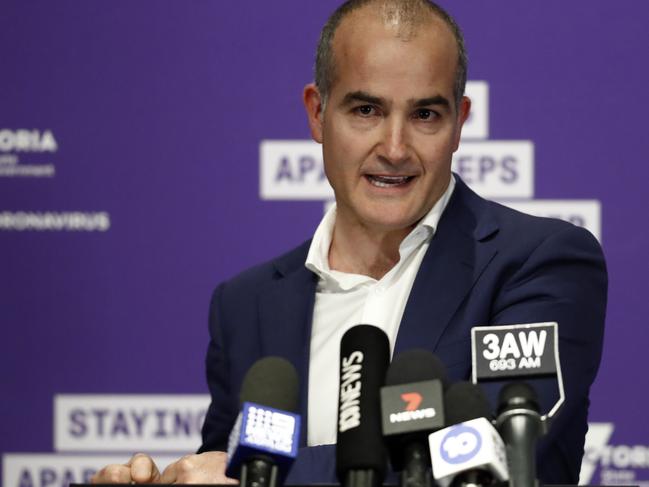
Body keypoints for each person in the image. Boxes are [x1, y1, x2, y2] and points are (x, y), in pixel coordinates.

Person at [92, 0, 607, 484]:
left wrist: (257, 481)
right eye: (366, 111)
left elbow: (500, 459)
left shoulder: (539, 262)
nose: (395, 148)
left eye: (425, 114)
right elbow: (220, 465)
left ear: (459, 124)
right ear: (317, 113)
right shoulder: (246, 306)